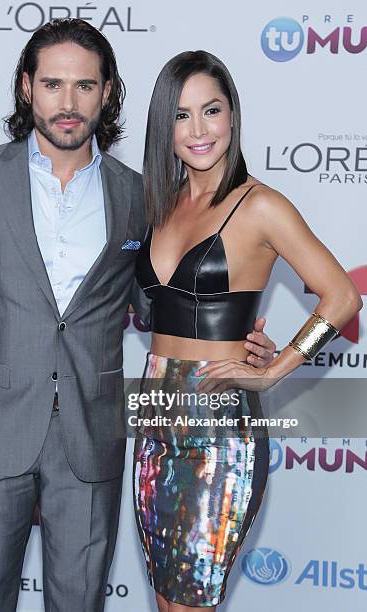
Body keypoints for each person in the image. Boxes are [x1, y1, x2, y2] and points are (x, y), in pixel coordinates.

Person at [0, 20, 276, 612]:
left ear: (107, 94)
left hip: (92, 432)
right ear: (27, 89)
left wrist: (230, 333)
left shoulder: (140, 196)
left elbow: (157, 302)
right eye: (53, 84)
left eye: (85, 86)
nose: (69, 102)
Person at [133, 50, 362, 611]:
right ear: (165, 126)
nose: (199, 129)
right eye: (182, 115)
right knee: (169, 602)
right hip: (155, 419)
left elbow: (343, 296)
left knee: (191, 602)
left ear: (233, 114)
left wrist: (277, 366)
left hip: (218, 426)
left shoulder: (260, 205)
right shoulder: (161, 206)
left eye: (211, 109)